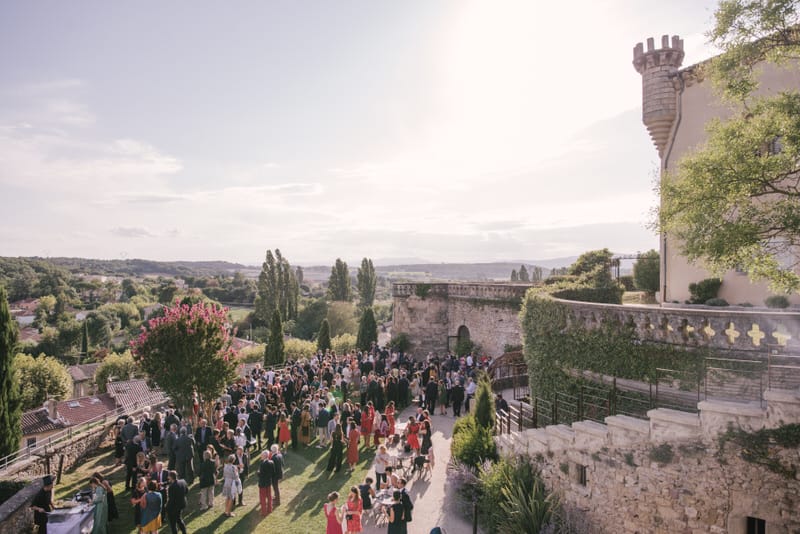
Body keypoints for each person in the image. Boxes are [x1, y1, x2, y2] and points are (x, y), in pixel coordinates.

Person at [166, 470, 188, 534]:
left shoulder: (171, 487)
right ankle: (184, 532)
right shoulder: (183, 481)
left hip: (174, 507)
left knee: (173, 523)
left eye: (168, 476)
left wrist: (167, 507)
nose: (168, 477)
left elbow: (171, 500)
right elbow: (186, 491)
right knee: (179, 519)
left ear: (171, 477)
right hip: (181, 504)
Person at [257, 450, 275, 517]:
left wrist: (258, 472)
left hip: (262, 483)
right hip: (268, 482)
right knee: (269, 496)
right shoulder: (271, 462)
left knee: (262, 498)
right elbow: (273, 472)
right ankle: (270, 509)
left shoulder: (262, 464)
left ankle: (264, 512)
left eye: (262, 455)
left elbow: (260, 475)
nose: (261, 456)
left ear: (264, 456)